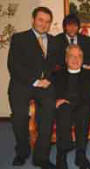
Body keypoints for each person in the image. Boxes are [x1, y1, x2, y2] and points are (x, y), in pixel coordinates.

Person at [7, 7, 57, 169]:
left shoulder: (53, 40)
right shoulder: (19, 38)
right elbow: (14, 66)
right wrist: (35, 81)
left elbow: (56, 66)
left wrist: (48, 80)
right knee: (19, 117)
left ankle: (41, 157)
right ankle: (22, 151)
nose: (44, 24)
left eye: (47, 21)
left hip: (45, 85)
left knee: (48, 113)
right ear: (33, 20)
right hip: (22, 84)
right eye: (41, 20)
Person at [55, 45, 90, 169]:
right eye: (72, 56)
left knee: (85, 110)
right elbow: (48, 91)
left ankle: (80, 156)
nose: (76, 59)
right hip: (65, 106)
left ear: (83, 59)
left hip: (82, 106)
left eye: (79, 56)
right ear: (66, 59)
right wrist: (56, 100)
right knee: (64, 109)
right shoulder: (57, 74)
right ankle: (61, 155)